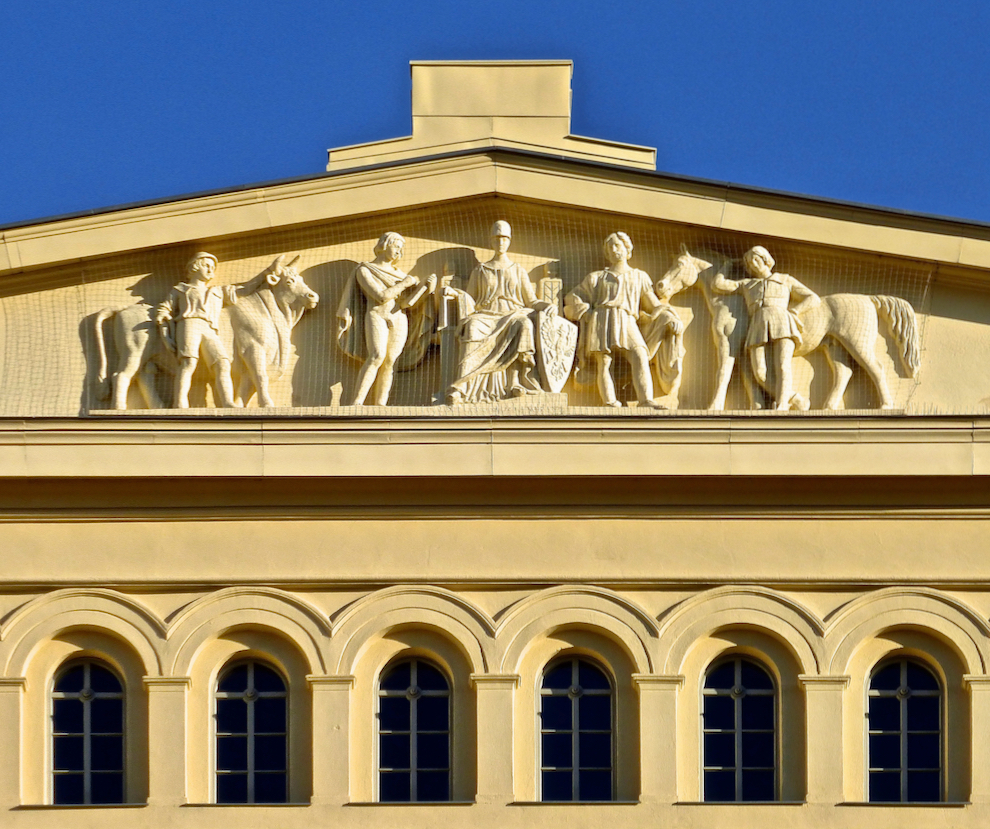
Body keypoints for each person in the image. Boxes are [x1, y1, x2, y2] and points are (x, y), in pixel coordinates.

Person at [444, 220, 556, 404]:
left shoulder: (518, 270)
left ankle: (515, 383)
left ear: (509, 241)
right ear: (491, 241)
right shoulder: (480, 270)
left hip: (513, 314)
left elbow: (531, 300)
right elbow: (470, 299)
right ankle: (461, 386)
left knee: (524, 324)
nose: (501, 242)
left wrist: (546, 305)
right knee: (472, 326)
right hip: (486, 315)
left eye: (504, 238)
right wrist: (455, 293)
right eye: (497, 238)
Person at [565, 232, 678, 408]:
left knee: (640, 354)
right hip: (602, 319)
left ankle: (645, 400)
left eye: (617, 245)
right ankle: (609, 402)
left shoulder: (639, 276)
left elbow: (653, 305)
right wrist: (586, 311)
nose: (613, 250)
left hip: (626, 319)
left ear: (627, 248)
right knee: (604, 362)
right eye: (609, 247)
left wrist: (669, 315)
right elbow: (572, 297)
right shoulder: (596, 277)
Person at [712, 245, 820, 410]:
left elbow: (813, 298)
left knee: (782, 365)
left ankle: (782, 404)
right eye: (749, 262)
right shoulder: (747, 284)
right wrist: (728, 265)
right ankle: (795, 398)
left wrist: (795, 311)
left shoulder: (785, 280)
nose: (753, 263)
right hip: (758, 324)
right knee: (760, 372)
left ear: (765, 259)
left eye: (756, 258)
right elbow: (717, 284)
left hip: (783, 322)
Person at [336, 232, 437, 406]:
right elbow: (380, 296)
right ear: (384, 245)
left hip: (399, 318)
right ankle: (357, 402)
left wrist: (426, 289)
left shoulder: (400, 274)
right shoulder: (365, 269)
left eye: (401, 248)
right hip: (377, 315)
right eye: (396, 246)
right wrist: (405, 283)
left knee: (391, 362)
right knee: (376, 356)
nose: (399, 251)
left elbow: (407, 304)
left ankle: (381, 405)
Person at [156, 251, 263, 408]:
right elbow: (165, 309)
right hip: (189, 324)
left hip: (210, 328)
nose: (210, 270)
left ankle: (227, 402)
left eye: (212, 267)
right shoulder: (181, 289)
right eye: (206, 266)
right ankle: (179, 402)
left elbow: (244, 289)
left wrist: (265, 274)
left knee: (222, 362)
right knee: (188, 363)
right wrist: (165, 330)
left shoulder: (217, 291)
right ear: (194, 267)